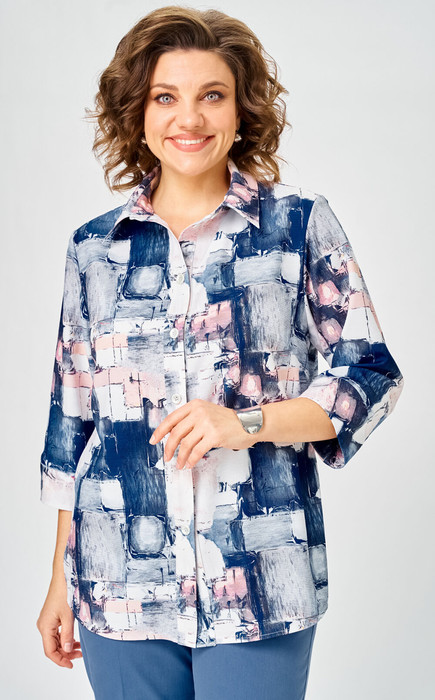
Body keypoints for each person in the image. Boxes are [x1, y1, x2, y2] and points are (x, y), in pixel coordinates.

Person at [36, 5, 404, 699]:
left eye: (212, 95)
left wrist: (246, 423)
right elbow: (74, 422)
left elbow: (371, 374)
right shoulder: (94, 248)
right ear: (137, 114)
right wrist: (60, 577)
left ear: (241, 111)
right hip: (118, 582)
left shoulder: (296, 225)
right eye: (164, 97)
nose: (189, 118)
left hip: (259, 583)